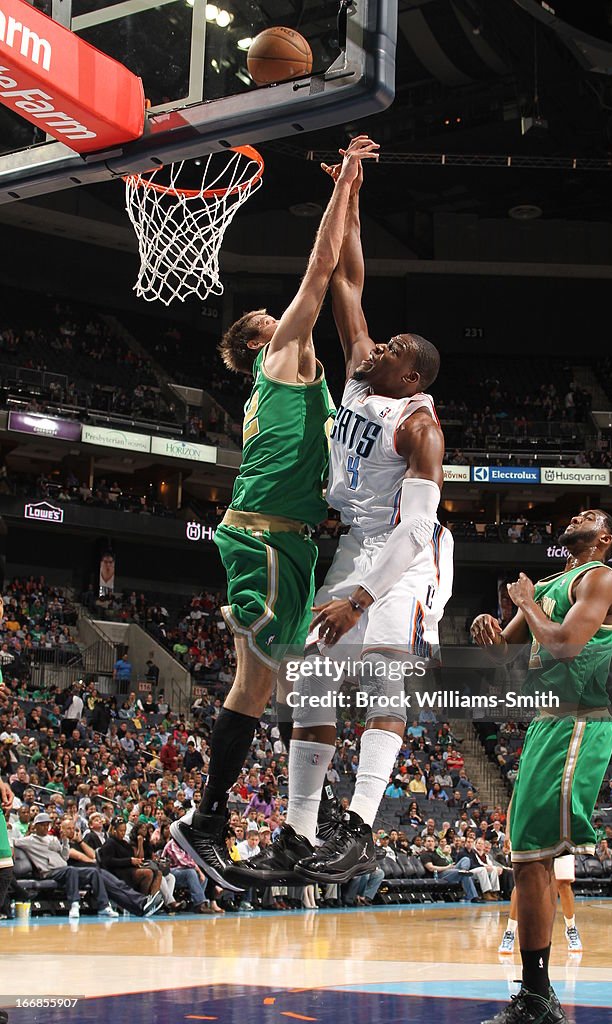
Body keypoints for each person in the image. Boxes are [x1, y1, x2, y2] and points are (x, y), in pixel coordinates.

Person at [232, 143, 453, 888]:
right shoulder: (362, 367)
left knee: (383, 681)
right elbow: (349, 278)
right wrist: (349, 191)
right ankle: (296, 834)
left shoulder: (418, 427)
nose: (374, 345)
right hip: (355, 543)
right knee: (313, 677)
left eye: (390, 350)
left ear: (411, 375)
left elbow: (418, 530)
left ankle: (359, 827)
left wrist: (362, 593)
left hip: (403, 560)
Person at [170, 135, 380, 888]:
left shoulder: (303, 374)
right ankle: (207, 820)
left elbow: (342, 273)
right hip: (262, 535)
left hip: (286, 543)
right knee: (263, 683)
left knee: (278, 685)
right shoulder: (279, 355)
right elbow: (321, 270)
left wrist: (351, 195)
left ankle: (261, 823)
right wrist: (342, 184)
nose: (282, 312)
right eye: (272, 314)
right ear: (262, 337)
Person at [471, 508, 612, 1024]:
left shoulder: (600, 577)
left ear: (602, 538)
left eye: (591, 515)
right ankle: (535, 993)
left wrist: (528, 603)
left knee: (535, 858)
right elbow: (502, 652)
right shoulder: (555, 582)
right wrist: (489, 627)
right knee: (525, 858)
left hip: (577, 721)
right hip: (544, 724)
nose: (577, 515)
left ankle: (539, 996)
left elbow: (562, 645)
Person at [14, 813, 119, 919]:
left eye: (47, 825)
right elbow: (13, 842)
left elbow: (65, 857)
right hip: (49, 871)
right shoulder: (28, 841)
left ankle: (104, 907)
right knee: (71, 870)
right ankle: (74, 905)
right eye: (42, 825)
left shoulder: (52, 839)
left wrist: (64, 842)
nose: (46, 827)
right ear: (36, 826)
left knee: (94, 872)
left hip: (63, 869)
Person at [498, 855, 583, 954]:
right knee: (522, 882)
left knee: (563, 883)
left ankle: (571, 928)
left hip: (561, 842)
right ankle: (510, 932)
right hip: (534, 841)